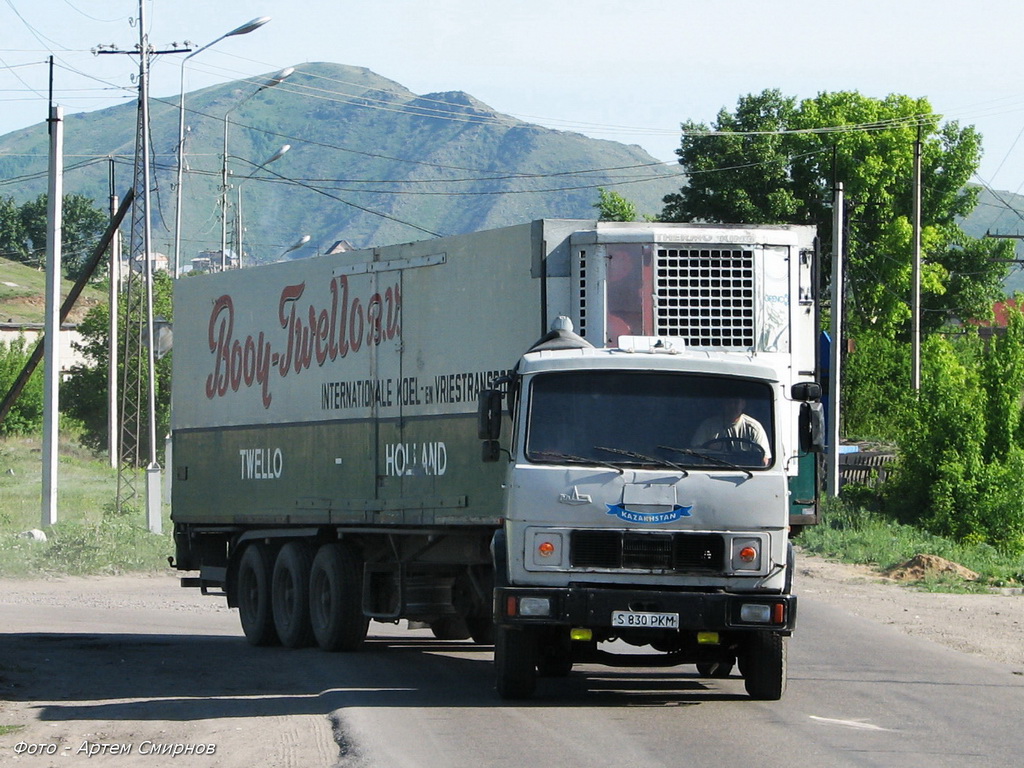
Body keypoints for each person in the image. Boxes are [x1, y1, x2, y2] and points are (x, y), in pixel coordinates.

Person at [691, 397, 771, 465]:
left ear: (743, 404)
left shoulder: (754, 428)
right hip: (712, 471)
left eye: (736, 402)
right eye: (730, 402)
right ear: (724, 404)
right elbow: (694, 453)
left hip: (745, 474)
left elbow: (764, 460)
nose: (732, 406)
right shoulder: (708, 425)